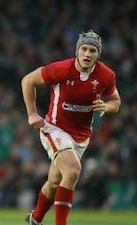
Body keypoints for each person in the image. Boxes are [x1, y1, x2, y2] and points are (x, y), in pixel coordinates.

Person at [21, 30, 121, 225]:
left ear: (98, 54)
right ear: (77, 51)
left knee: (54, 183)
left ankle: (35, 219)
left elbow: (116, 101)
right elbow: (28, 80)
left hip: (81, 136)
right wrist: (32, 113)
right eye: (84, 49)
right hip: (55, 128)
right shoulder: (61, 69)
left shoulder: (106, 76)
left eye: (92, 50)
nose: (87, 54)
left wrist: (106, 106)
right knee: (73, 170)